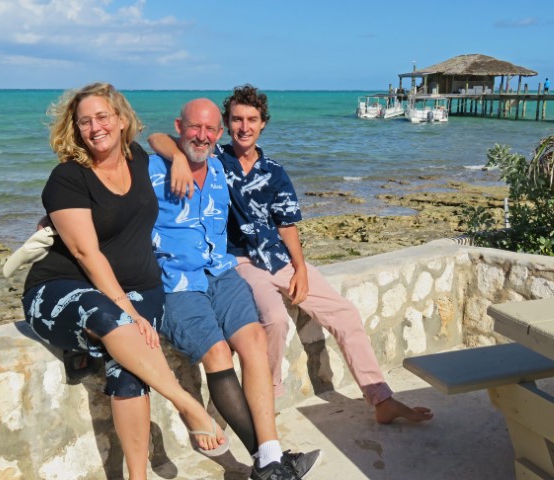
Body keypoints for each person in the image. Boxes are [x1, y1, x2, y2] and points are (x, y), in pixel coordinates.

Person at [148, 85, 434, 425]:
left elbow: (287, 225)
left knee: (344, 313)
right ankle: (264, 399)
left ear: (263, 124)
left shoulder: (274, 171)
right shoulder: (214, 161)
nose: (244, 127)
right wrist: (179, 158)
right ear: (226, 125)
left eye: (252, 120)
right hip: (240, 262)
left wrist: (300, 268)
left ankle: (381, 399)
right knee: (274, 318)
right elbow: (158, 138)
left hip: (280, 260)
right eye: (237, 119)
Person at [19, 83, 228, 480]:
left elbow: (163, 139)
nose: (95, 127)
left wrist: (180, 161)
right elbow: (85, 254)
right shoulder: (67, 178)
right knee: (112, 319)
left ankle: (137, 477)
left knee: (129, 369)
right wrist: (127, 310)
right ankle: (188, 406)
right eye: (84, 121)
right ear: (75, 128)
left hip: (142, 289)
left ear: (120, 119)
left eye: (102, 117)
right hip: (61, 289)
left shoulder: (138, 159)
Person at [149, 98, 320, 480]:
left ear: (219, 134)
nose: (203, 135)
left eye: (211, 129)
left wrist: (299, 264)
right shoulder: (153, 170)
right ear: (180, 126)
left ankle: (270, 459)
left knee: (256, 339)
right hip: (177, 283)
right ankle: (270, 463)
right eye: (195, 127)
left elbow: (279, 214)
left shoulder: (219, 169)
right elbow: (147, 139)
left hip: (222, 274)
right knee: (216, 352)